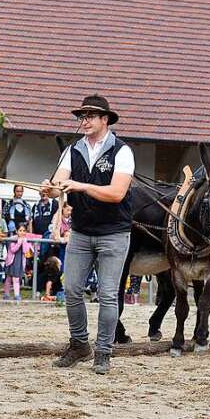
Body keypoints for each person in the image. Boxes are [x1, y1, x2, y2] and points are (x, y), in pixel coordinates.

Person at [41, 95, 135, 376]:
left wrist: (79, 186)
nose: (84, 121)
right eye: (82, 116)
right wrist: (50, 189)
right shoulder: (72, 150)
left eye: (90, 116)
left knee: (107, 294)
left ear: (105, 119)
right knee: (71, 290)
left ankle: (104, 352)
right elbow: (60, 184)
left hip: (114, 233)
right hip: (81, 231)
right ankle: (80, 344)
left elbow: (117, 193)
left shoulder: (122, 151)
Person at [4, 223, 39, 301]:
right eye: (20, 230)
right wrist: (19, 242)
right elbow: (13, 250)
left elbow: (25, 250)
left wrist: (24, 242)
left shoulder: (26, 240)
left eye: (24, 230)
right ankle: (6, 293)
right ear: (17, 231)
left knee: (17, 278)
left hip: (19, 262)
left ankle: (17, 295)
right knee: (9, 278)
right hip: (11, 261)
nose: (22, 232)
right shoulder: (12, 239)